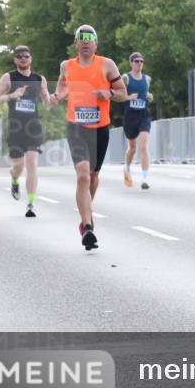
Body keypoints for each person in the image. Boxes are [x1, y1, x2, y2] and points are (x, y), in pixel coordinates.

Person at [49, 25, 128, 250]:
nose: (85, 42)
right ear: (76, 44)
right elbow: (64, 88)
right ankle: (87, 227)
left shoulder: (107, 65)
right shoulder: (67, 66)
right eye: (81, 38)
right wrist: (57, 96)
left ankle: (86, 214)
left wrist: (110, 93)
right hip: (76, 127)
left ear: (96, 43)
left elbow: (122, 93)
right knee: (83, 176)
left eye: (89, 38)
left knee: (93, 177)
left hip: (99, 128)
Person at [0, 45, 51, 217]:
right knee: (18, 166)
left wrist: (51, 100)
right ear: (15, 59)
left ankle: (30, 204)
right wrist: (11, 96)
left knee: (32, 163)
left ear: (31, 58)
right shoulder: (8, 77)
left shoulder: (40, 79)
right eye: (19, 56)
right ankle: (14, 179)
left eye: (26, 55)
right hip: (15, 128)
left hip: (33, 127)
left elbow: (47, 99)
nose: (23, 58)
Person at [122, 52, 154, 189]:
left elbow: (145, 93)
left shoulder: (147, 79)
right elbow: (118, 95)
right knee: (133, 148)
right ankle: (127, 167)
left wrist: (149, 96)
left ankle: (145, 178)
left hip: (144, 115)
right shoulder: (126, 78)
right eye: (136, 61)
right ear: (131, 63)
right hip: (130, 116)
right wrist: (129, 97)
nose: (139, 63)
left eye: (141, 61)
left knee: (144, 146)